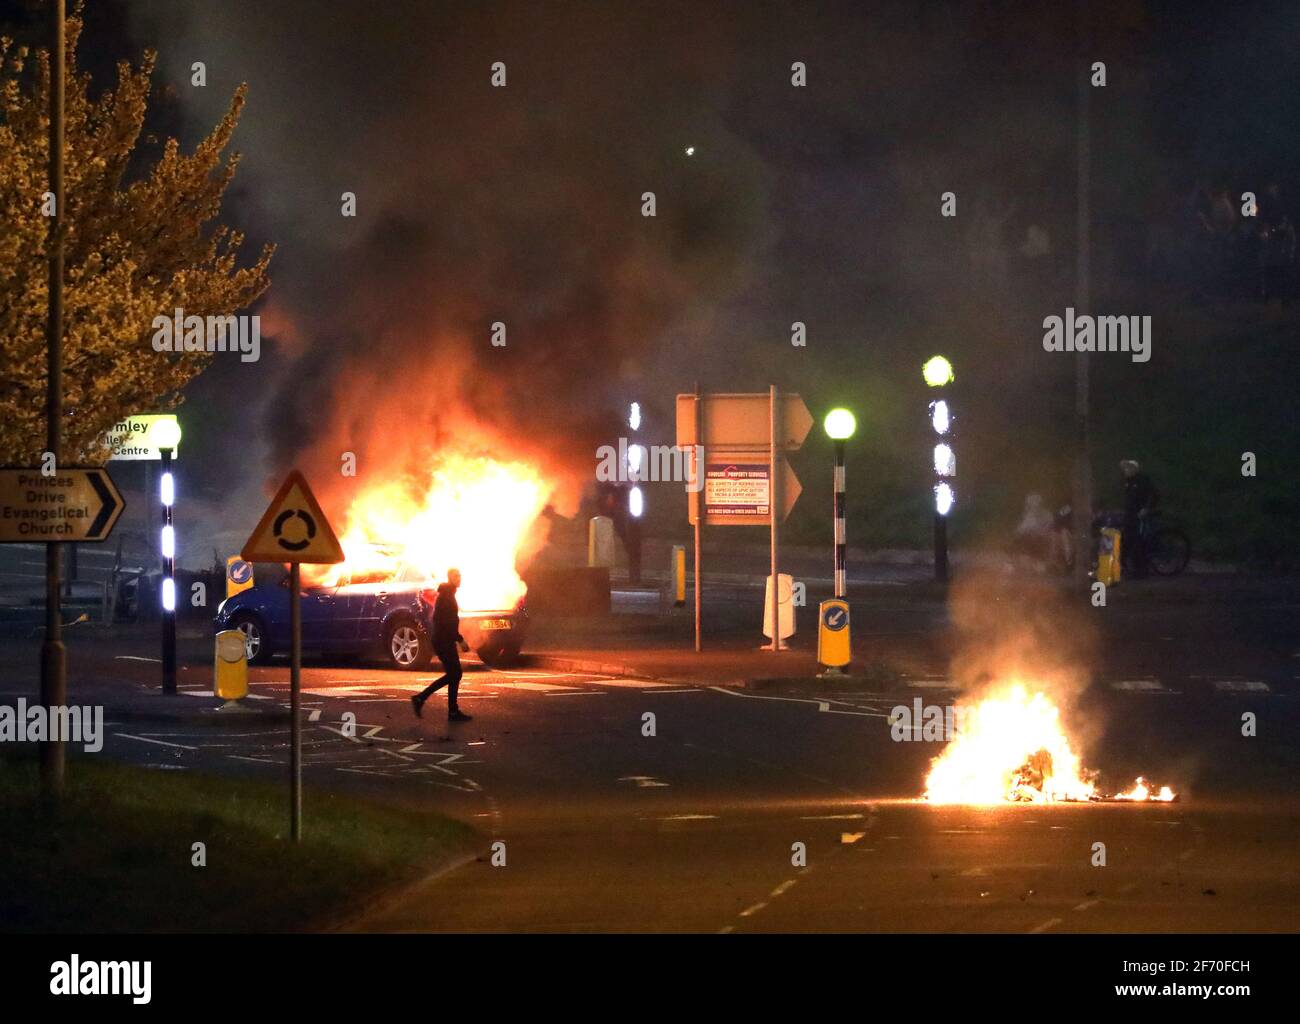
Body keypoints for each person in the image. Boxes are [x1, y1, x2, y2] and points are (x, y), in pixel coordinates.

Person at [411, 568, 472, 722]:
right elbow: (445, 622)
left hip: (445, 640)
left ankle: (450, 710)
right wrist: (460, 639)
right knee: (455, 674)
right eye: (456, 576)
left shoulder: (449, 594)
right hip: (443, 641)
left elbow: (448, 621)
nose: (459, 578)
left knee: (454, 674)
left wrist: (456, 639)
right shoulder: (446, 596)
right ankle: (422, 698)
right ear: (449, 578)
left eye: (460, 575)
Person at [1119, 459, 1159, 578]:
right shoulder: (1128, 482)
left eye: (1129, 468)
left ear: (1135, 469)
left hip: (1141, 515)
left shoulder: (1143, 480)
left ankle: (1141, 571)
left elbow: (1154, 495)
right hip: (1130, 515)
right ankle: (1128, 567)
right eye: (1125, 468)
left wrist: (1146, 508)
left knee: (1138, 541)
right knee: (1127, 540)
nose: (1126, 470)